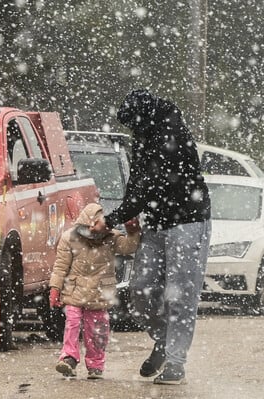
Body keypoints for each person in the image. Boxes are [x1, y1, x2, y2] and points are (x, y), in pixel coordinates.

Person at [94, 89, 211, 385]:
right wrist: (127, 211)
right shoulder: (144, 136)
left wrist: (112, 219)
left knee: (180, 294)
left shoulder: (171, 132)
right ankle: (163, 340)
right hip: (157, 223)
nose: (132, 129)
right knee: (140, 292)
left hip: (188, 221)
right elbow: (138, 183)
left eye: (134, 122)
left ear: (144, 115)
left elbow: (152, 182)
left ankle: (175, 362)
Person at [49, 203, 140, 380]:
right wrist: (55, 288)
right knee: (72, 323)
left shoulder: (112, 238)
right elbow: (60, 266)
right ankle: (69, 358)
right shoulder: (69, 238)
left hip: (99, 292)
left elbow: (129, 247)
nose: (91, 230)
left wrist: (133, 232)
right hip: (75, 290)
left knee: (97, 330)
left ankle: (96, 364)